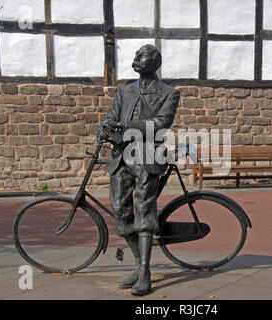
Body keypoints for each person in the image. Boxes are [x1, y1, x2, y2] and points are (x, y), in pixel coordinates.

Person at [96, 44, 180, 296]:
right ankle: (137, 265)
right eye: (136, 55)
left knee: (144, 212)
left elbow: (161, 124)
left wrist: (127, 125)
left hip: (147, 158)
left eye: (142, 56)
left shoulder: (169, 93)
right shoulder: (124, 91)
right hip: (121, 158)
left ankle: (145, 273)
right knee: (121, 215)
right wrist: (105, 128)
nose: (136, 58)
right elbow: (111, 117)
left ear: (155, 62)